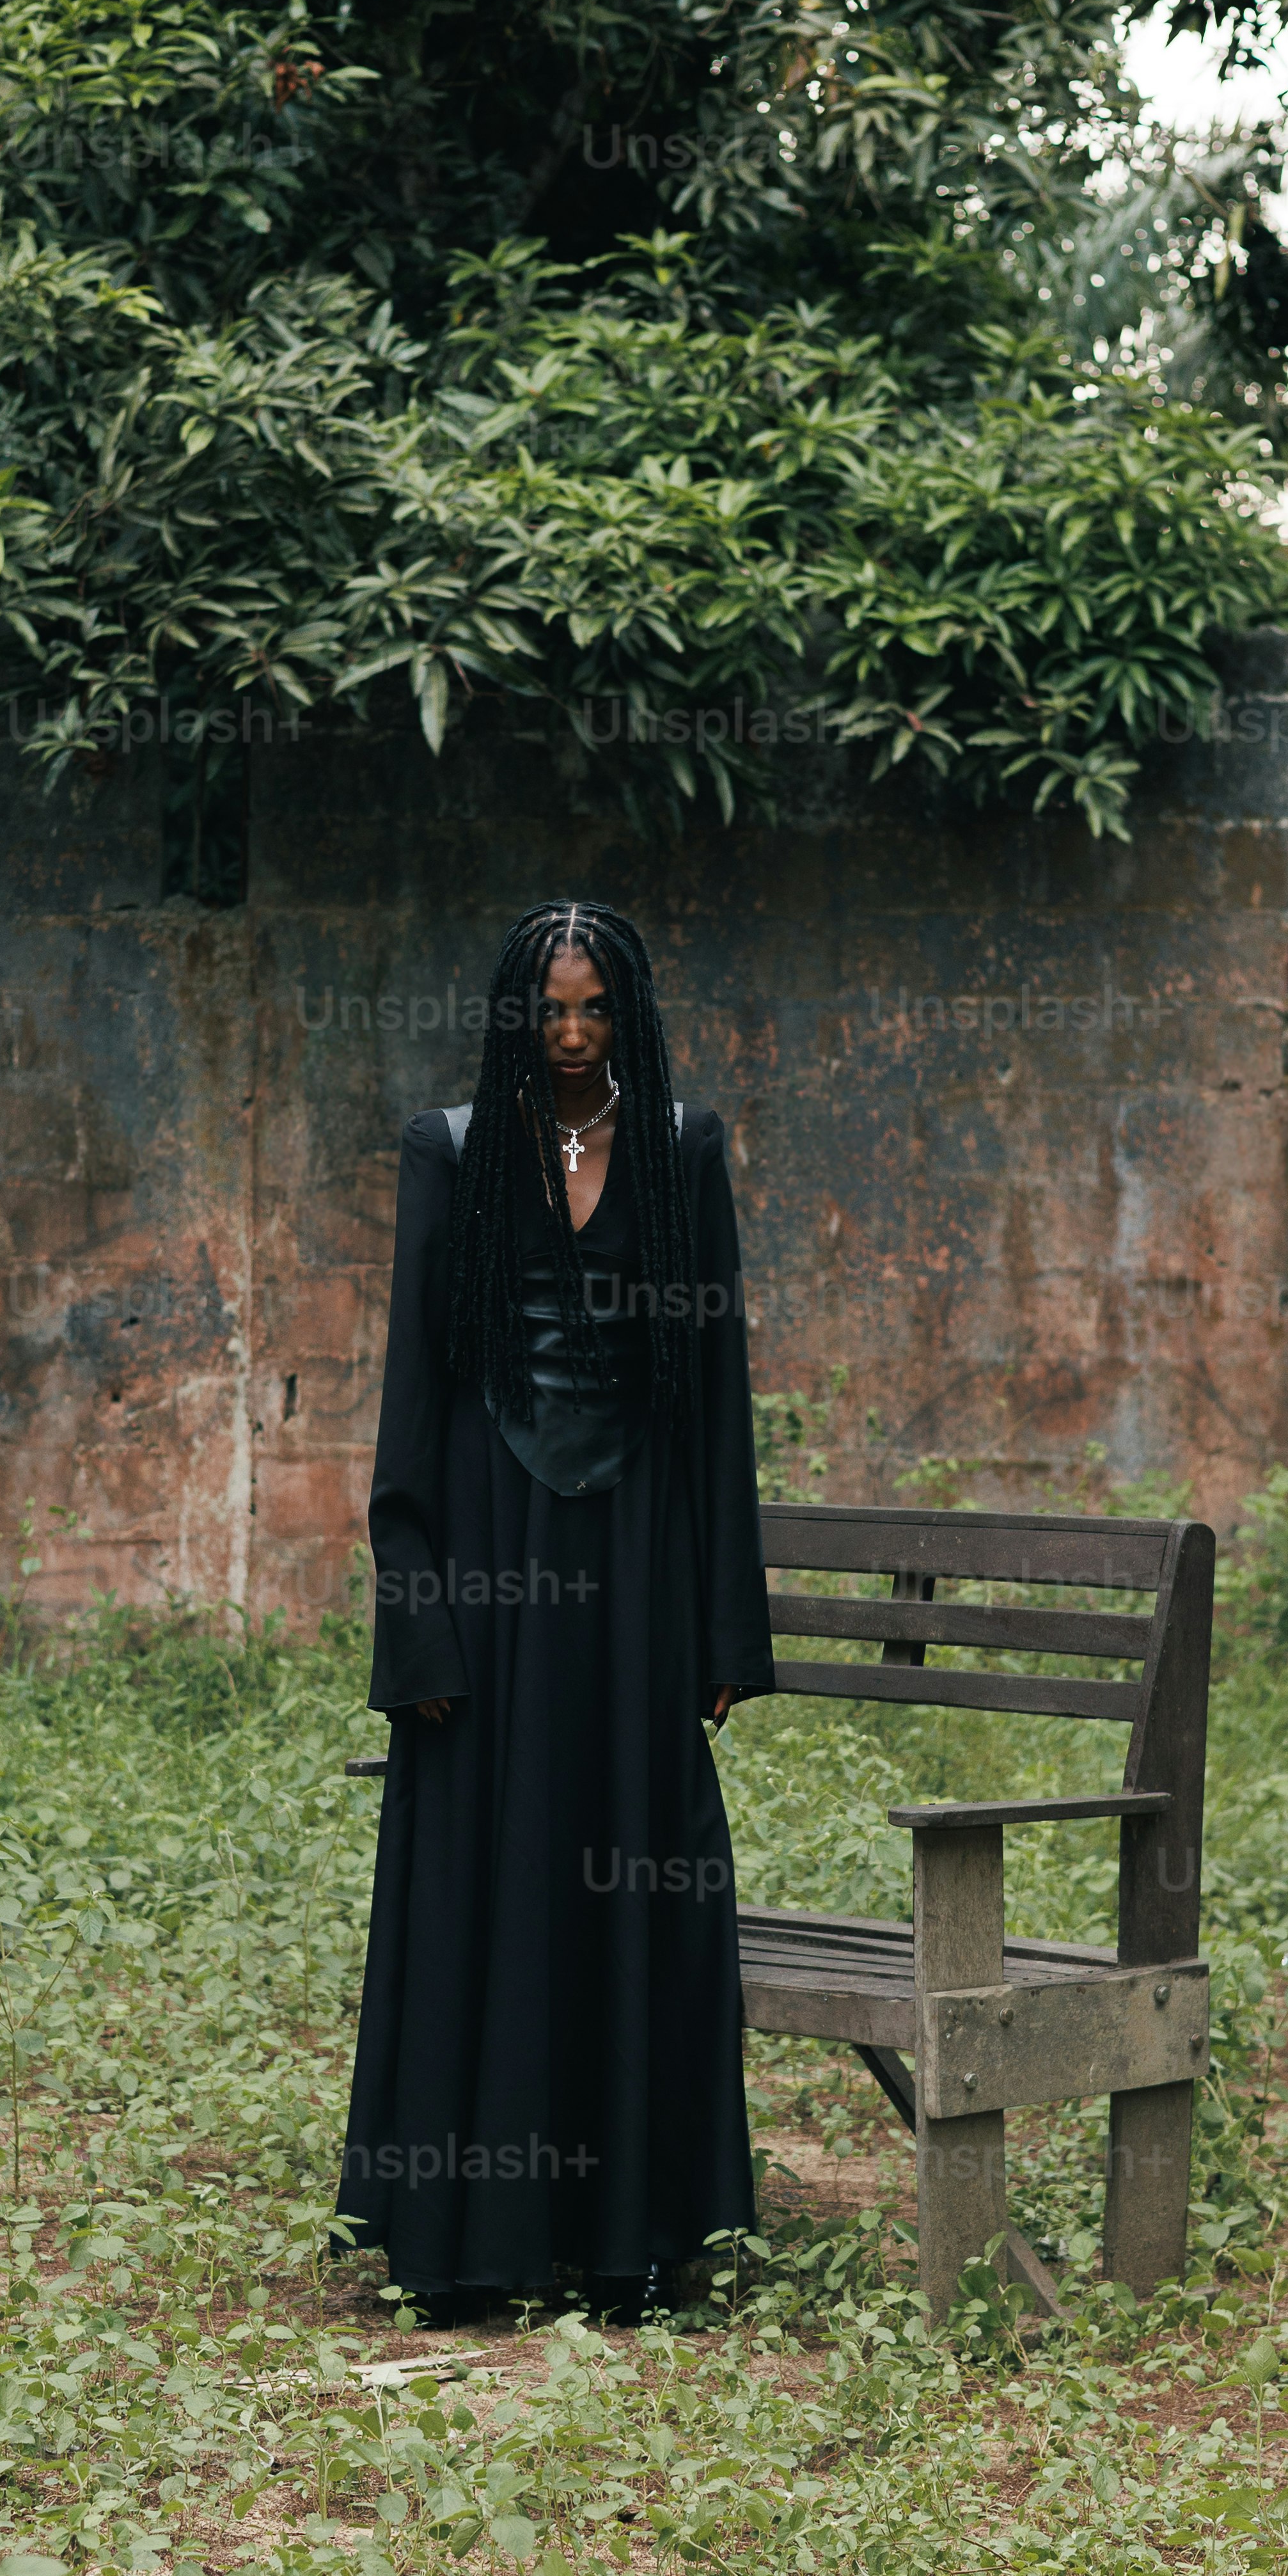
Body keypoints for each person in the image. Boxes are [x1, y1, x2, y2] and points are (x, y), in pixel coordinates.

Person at [337, 898, 776, 2322]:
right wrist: (418, 1618)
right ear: (516, 1016)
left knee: (634, 1873)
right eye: (552, 1011)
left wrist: (718, 1631)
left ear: (628, 1013)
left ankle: (626, 2241)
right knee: (489, 1879)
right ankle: (468, 2239)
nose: (574, 1035)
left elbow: (714, 1407)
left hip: (635, 1572)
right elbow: (413, 1394)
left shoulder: (683, 1150)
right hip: (486, 1566)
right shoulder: (448, 1151)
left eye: (596, 1010)